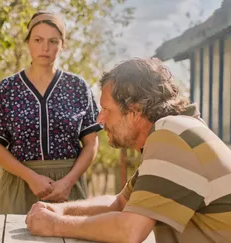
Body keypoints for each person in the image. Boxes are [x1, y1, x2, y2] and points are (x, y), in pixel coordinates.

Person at [25, 58, 231, 243]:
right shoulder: (176, 132)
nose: (99, 119)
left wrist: (54, 224)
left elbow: (130, 230)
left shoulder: (171, 134)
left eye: (106, 110)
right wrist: (60, 209)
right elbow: (119, 203)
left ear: (134, 110)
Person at [0, 11, 102, 214]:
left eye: (53, 41)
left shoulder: (77, 87)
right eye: (38, 40)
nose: (45, 48)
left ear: (62, 45)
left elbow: (91, 143)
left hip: (68, 187)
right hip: (20, 184)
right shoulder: (8, 88)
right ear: (28, 42)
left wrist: (67, 182)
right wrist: (31, 177)